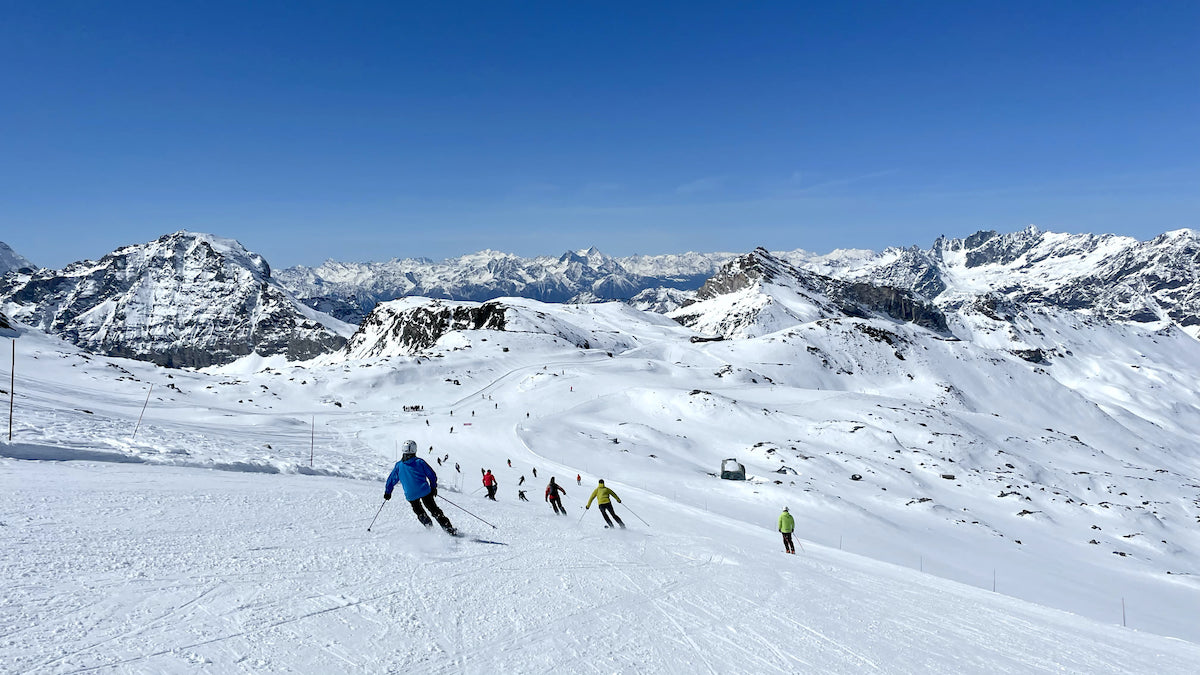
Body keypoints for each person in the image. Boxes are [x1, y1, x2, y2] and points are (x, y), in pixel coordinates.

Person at [383, 440, 456, 535]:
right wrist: (433, 487)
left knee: (419, 511)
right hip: (424, 491)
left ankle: (430, 529)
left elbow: (391, 480)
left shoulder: (399, 466)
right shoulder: (419, 462)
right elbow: (432, 475)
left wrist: (388, 492)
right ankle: (449, 529)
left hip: (410, 494)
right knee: (434, 509)